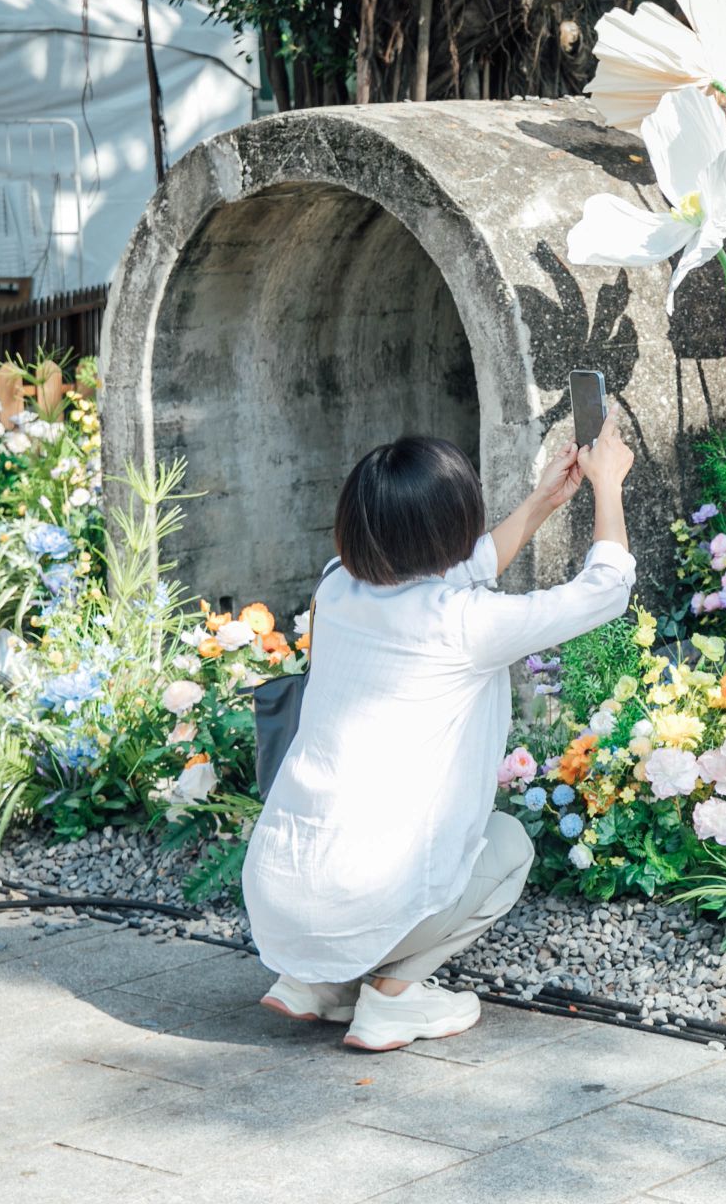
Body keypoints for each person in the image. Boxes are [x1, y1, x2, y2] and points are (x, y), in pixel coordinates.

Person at [243, 422, 635, 1052]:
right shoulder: (463, 623)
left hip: (276, 897)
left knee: (364, 855)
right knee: (508, 845)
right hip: (355, 901)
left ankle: (317, 982)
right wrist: (608, 485)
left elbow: (461, 566)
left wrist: (543, 501)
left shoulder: (335, 585)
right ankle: (391, 999)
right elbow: (606, 590)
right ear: (452, 526)